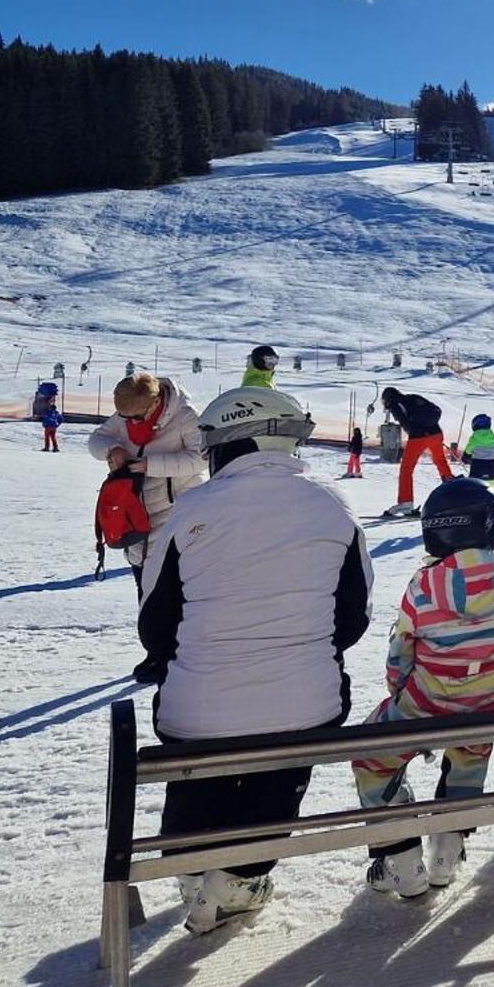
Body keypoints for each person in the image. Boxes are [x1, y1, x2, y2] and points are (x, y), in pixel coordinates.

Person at [136, 386, 373, 934]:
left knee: (202, 751)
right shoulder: (332, 504)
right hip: (304, 703)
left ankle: (195, 865)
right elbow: (353, 615)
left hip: (195, 711)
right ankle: (240, 878)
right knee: (280, 762)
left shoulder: (190, 509)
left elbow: (155, 622)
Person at [352, 478, 494, 900]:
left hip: (425, 701)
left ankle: (401, 860)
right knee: (468, 762)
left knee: (370, 757)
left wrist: (400, 691)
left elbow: (403, 648)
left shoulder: (425, 584)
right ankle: (447, 852)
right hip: (486, 702)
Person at [89, 372, 208, 607]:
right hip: (135, 513)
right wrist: (112, 449)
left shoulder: (185, 416)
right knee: (146, 591)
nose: (131, 422)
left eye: (136, 417)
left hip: (178, 511)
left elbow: (201, 458)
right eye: (125, 417)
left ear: (155, 403)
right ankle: (153, 636)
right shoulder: (129, 411)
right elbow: (96, 440)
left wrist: (151, 466)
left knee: (175, 592)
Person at [380, 386, 453, 516]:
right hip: (436, 433)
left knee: (406, 469)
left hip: (419, 438)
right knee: (440, 461)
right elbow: (436, 410)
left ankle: (405, 502)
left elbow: (404, 422)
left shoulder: (395, 405)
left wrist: (415, 431)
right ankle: (453, 491)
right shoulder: (413, 397)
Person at [465, 413, 494, 481]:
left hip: (477, 467)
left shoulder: (474, 438)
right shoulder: (493, 439)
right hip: (491, 467)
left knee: (476, 487)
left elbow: (468, 450)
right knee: (489, 487)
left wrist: (466, 455)